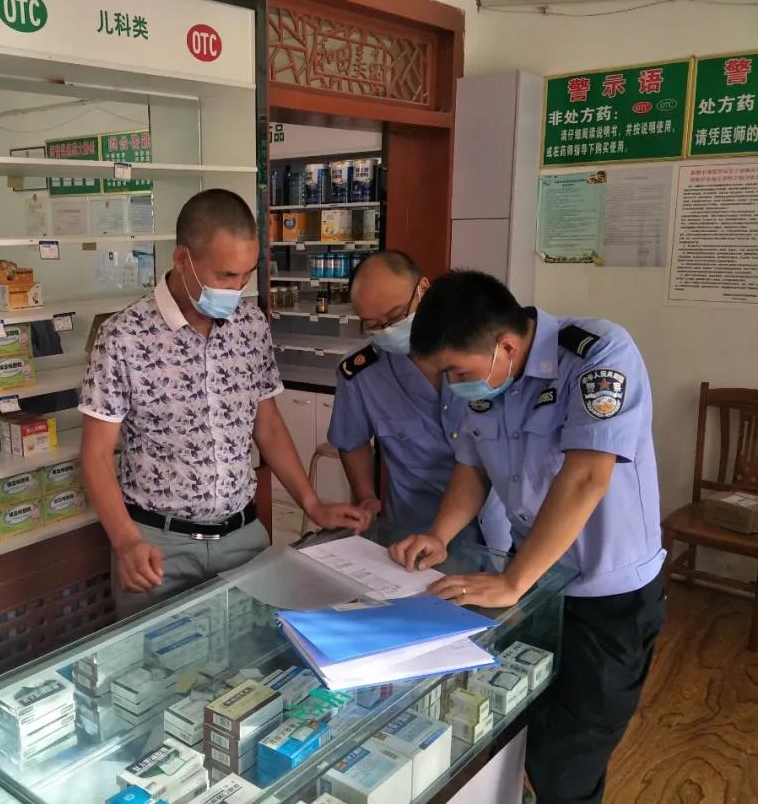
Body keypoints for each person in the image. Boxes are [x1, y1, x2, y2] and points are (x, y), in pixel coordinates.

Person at [391, 270, 666, 804]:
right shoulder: (486, 378)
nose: (452, 384)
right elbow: (472, 467)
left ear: (507, 347)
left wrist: (513, 581)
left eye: (457, 371)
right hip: (538, 587)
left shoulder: (597, 354)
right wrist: (440, 535)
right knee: (518, 722)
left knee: (571, 758)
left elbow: (586, 477)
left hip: (607, 597)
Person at [79, 189, 371, 617]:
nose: (236, 290)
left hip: (244, 540)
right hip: (158, 548)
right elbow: (95, 455)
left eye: (246, 276)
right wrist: (126, 541)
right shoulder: (125, 337)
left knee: (258, 653)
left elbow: (267, 425)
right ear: (183, 259)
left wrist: (312, 503)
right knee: (158, 658)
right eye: (226, 275)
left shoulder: (249, 325)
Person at [328, 252, 511, 548]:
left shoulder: (481, 350)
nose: (388, 330)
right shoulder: (363, 372)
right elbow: (351, 440)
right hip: (414, 529)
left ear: (423, 289)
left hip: (497, 527)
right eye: (374, 324)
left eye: (396, 316)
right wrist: (366, 496)